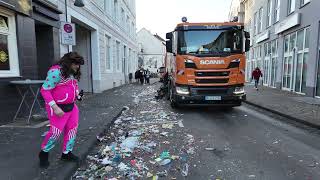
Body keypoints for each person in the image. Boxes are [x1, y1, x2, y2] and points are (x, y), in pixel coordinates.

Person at [38, 52, 84, 168]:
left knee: (72, 130)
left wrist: (77, 95)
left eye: (78, 64)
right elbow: (45, 90)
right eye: (75, 64)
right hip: (58, 108)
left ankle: (66, 153)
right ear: (68, 62)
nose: (77, 67)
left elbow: (74, 86)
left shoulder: (72, 73)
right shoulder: (56, 72)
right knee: (55, 133)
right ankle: (44, 153)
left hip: (71, 107)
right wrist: (55, 107)